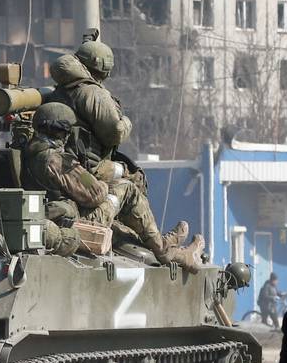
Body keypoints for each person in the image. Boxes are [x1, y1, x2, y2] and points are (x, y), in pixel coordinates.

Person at [22, 102, 205, 269]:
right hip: (77, 223)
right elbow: (96, 194)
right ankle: (165, 250)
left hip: (56, 219)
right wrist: (100, 179)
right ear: (61, 132)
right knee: (126, 189)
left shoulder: (28, 152)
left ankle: (164, 244)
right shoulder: (59, 161)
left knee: (122, 228)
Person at [48, 34, 132, 168]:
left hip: (61, 163)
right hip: (87, 167)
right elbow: (113, 134)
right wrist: (127, 123)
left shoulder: (61, 90)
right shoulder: (93, 93)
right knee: (134, 179)